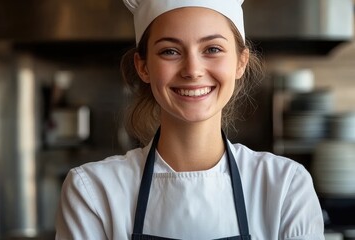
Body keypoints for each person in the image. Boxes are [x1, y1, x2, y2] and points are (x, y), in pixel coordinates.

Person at [55, 0, 325, 239]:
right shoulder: (92, 191)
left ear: (240, 62)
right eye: (170, 51)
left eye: (213, 49)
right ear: (143, 67)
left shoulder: (285, 186)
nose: (193, 70)